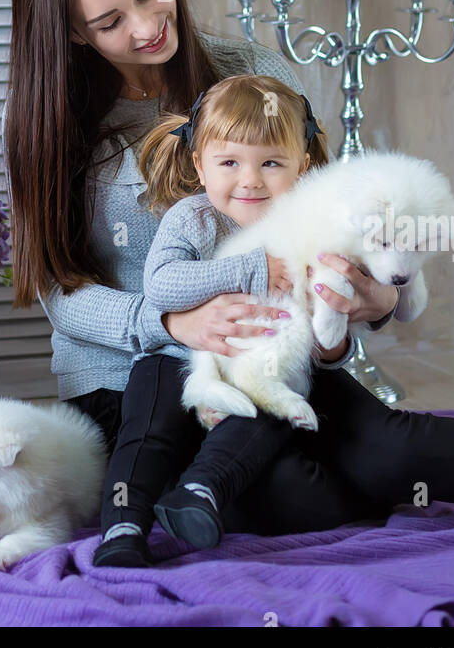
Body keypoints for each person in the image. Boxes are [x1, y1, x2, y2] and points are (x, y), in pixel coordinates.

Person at [5, 0, 454, 560]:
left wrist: (373, 302)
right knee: (293, 493)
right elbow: (61, 294)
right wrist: (173, 325)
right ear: (72, 33)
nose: (150, 25)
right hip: (128, 377)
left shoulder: (254, 74)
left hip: (268, 350)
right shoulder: (53, 125)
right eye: (112, 20)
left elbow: (328, 219)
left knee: (388, 451)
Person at [92, 73, 332, 566]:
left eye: (271, 163)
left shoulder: (304, 223)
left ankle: (200, 493)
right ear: (199, 165)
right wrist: (249, 267)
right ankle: (122, 525)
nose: (250, 179)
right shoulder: (191, 217)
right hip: (172, 357)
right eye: (229, 162)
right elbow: (161, 286)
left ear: (302, 168)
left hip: (253, 364)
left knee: (261, 417)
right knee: (148, 433)